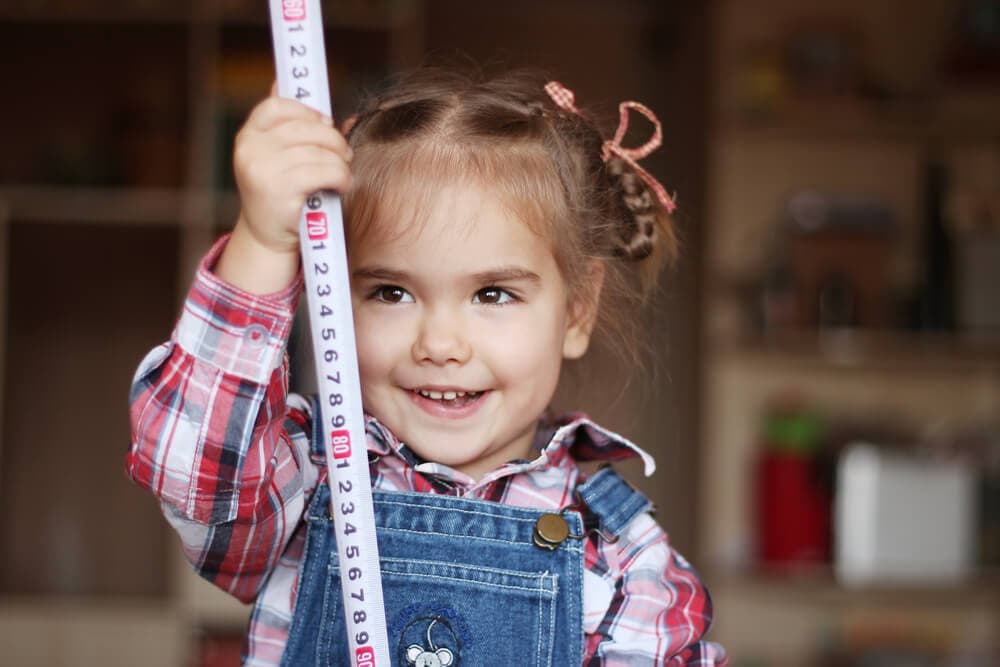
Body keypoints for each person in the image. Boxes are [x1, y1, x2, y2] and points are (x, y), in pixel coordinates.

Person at [128, 68, 727, 666]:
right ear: (332, 300)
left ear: (576, 311)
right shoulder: (306, 482)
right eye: (391, 292)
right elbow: (201, 474)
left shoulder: (622, 555)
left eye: (492, 294)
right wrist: (260, 245)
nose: (440, 344)